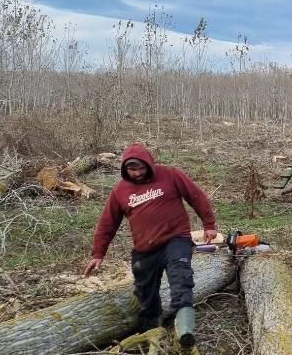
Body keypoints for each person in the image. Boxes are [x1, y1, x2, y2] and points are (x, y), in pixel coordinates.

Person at [85, 142, 218, 349]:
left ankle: (184, 332)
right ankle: (150, 335)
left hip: (176, 239)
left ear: (148, 164)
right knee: (145, 294)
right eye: (132, 169)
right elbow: (107, 223)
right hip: (145, 250)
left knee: (181, 279)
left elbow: (196, 196)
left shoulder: (171, 175)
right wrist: (98, 253)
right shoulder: (120, 190)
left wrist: (209, 224)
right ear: (125, 169)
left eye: (140, 168)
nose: (137, 173)